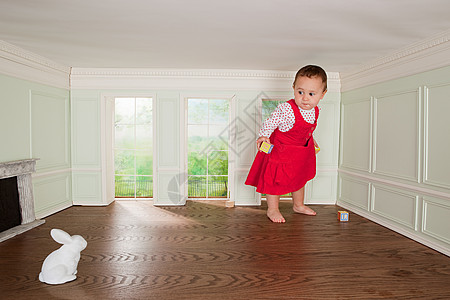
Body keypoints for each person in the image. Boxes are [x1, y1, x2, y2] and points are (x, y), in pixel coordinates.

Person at [245, 65, 327, 223]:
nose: (305, 98)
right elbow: (270, 122)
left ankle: (298, 205)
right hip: (281, 152)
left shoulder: (315, 110)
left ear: (322, 94)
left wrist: (312, 139)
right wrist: (264, 136)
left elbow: (306, 128)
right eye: (300, 92)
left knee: (300, 177)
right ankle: (273, 209)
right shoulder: (287, 109)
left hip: (300, 152)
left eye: (311, 94)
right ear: (294, 88)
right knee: (275, 179)